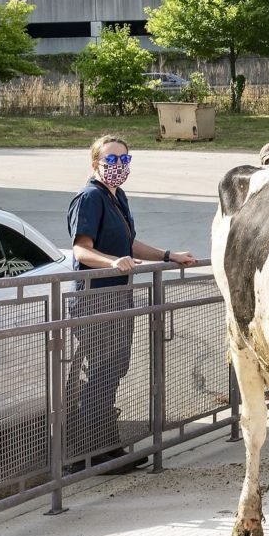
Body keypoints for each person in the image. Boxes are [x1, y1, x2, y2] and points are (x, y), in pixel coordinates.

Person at [67, 135, 196, 473]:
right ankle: (90, 453)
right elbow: (81, 250)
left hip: (118, 298)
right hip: (95, 300)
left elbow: (130, 242)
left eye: (124, 160)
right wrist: (111, 262)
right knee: (100, 373)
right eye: (111, 160)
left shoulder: (117, 196)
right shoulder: (90, 197)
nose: (118, 167)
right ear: (96, 163)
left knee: (113, 371)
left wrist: (168, 255)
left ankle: (108, 447)